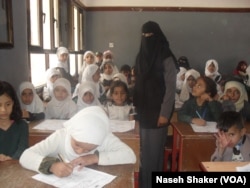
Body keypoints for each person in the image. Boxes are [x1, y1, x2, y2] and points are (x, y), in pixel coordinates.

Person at [19, 106, 136, 177]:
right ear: (72, 133)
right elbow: (25, 156)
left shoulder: (103, 137)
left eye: (88, 149)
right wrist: (51, 166)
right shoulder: (61, 136)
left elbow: (130, 155)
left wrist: (94, 158)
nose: (80, 152)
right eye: (77, 144)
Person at [133, 21, 178, 188]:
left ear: (157, 36)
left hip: (158, 113)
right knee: (144, 155)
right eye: (144, 35)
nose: (146, 39)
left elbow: (170, 88)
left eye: (150, 35)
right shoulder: (140, 56)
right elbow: (138, 85)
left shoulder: (166, 56)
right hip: (143, 112)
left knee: (154, 154)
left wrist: (165, 114)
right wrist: (136, 113)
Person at [0, 81, 29, 161]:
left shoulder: (22, 125)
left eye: (8, 104)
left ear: (13, 103)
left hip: (16, 167)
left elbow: (22, 149)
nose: (3, 110)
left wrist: (10, 159)